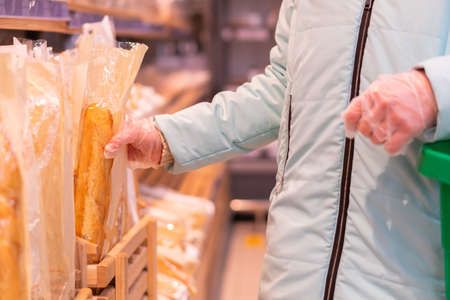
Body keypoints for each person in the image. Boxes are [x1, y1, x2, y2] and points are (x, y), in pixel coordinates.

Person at [105, 0, 450, 299]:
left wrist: (433, 89)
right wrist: (167, 137)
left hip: (407, 270)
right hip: (295, 267)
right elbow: (282, 87)